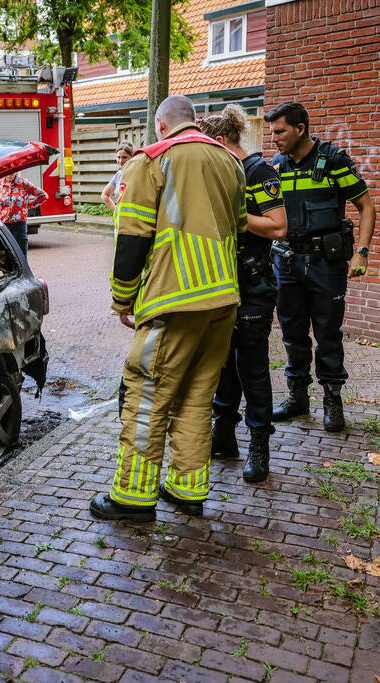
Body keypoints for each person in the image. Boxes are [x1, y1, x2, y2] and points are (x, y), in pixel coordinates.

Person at [89, 95, 247, 522]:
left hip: (173, 298)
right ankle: (187, 489)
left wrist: (123, 299)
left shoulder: (151, 161)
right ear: (193, 122)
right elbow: (239, 225)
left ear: (161, 124)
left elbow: (132, 238)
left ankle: (133, 497)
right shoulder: (231, 162)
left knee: (146, 394)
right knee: (197, 395)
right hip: (222, 298)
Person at [264, 102, 376, 432]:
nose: (274, 139)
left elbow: (366, 206)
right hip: (286, 262)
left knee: (328, 334)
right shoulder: (276, 165)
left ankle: (332, 400)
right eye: (272, 132)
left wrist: (362, 252)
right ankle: (298, 397)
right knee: (292, 333)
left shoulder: (333, 160)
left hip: (326, 263)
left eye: (280, 131)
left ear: (301, 129)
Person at [198, 105, 287, 483]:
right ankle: (224, 435)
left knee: (251, 366)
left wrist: (235, 216)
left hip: (253, 286)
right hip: (222, 284)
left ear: (220, 142)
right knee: (222, 363)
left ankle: (259, 444)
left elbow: (278, 227)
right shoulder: (222, 172)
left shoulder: (259, 172)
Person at [0, 172, 47, 255]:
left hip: (19, 224)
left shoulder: (24, 183)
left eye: (12, 172)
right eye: (8, 171)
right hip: (3, 225)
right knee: (6, 255)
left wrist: (28, 205)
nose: (9, 174)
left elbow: (43, 195)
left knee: (21, 255)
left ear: (16, 171)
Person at [101, 141, 135, 213]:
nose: (120, 160)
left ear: (132, 157)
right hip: (121, 219)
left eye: (124, 157)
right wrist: (116, 212)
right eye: (118, 157)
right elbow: (104, 195)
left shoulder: (139, 174)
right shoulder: (119, 174)